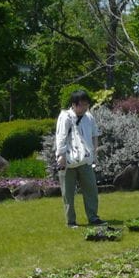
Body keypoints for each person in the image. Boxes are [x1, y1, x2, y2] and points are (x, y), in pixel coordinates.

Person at [54, 89, 104, 228]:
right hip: (68, 161)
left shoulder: (89, 117)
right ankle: (71, 221)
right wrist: (61, 156)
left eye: (86, 105)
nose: (84, 108)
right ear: (74, 104)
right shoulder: (65, 117)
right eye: (81, 105)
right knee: (68, 193)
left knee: (91, 190)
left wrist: (95, 153)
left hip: (85, 160)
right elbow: (61, 137)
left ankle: (93, 218)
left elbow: (95, 135)